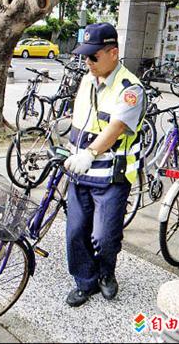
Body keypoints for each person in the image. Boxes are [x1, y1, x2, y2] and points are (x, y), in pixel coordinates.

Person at [62, 23, 146, 307]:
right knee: (75, 231)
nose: (87, 62)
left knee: (104, 236)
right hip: (80, 173)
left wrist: (88, 153)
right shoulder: (88, 78)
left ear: (113, 53)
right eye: (84, 56)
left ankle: (106, 273)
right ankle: (85, 281)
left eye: (93, 57)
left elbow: (116, 128)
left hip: (111, 176)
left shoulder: (130, 89)